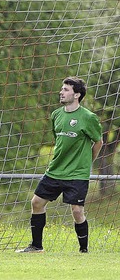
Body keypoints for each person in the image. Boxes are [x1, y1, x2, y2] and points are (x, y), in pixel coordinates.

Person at [16, 76, 102, 254]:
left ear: (77, 94)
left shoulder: (88, 117)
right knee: (37, 203)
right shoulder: (56, 115)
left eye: (66, 90)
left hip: (77, 174)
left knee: (77, 211)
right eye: (62, 89)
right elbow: (59, 142)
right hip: (55, 171)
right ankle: (36, 246)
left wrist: (87, 163)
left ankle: (83, 251)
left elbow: (98, 142)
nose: (61, 92)